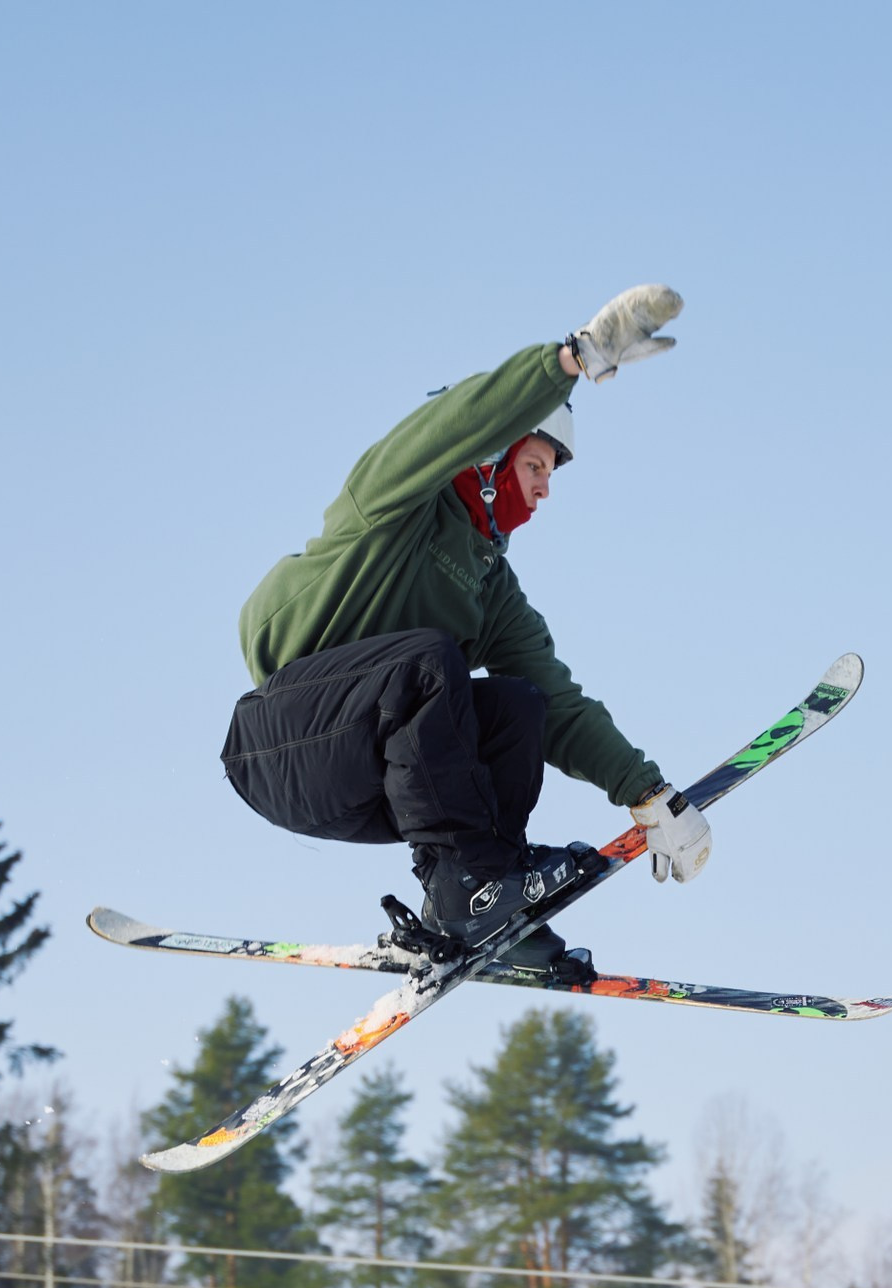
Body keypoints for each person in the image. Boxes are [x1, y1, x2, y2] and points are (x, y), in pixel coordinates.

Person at [224, 285, 713, 978]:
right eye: (535, 464)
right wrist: (574, 359)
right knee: (429, 660)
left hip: (370, 776)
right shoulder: (400, 499)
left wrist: (646, 791)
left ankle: (489, 905)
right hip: (279, 743)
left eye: (551, 474)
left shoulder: (490, 588)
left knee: (520, 705)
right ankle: (469, 887)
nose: (544, 489)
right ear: (487, 461)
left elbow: (562, 703)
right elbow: (457, 423)